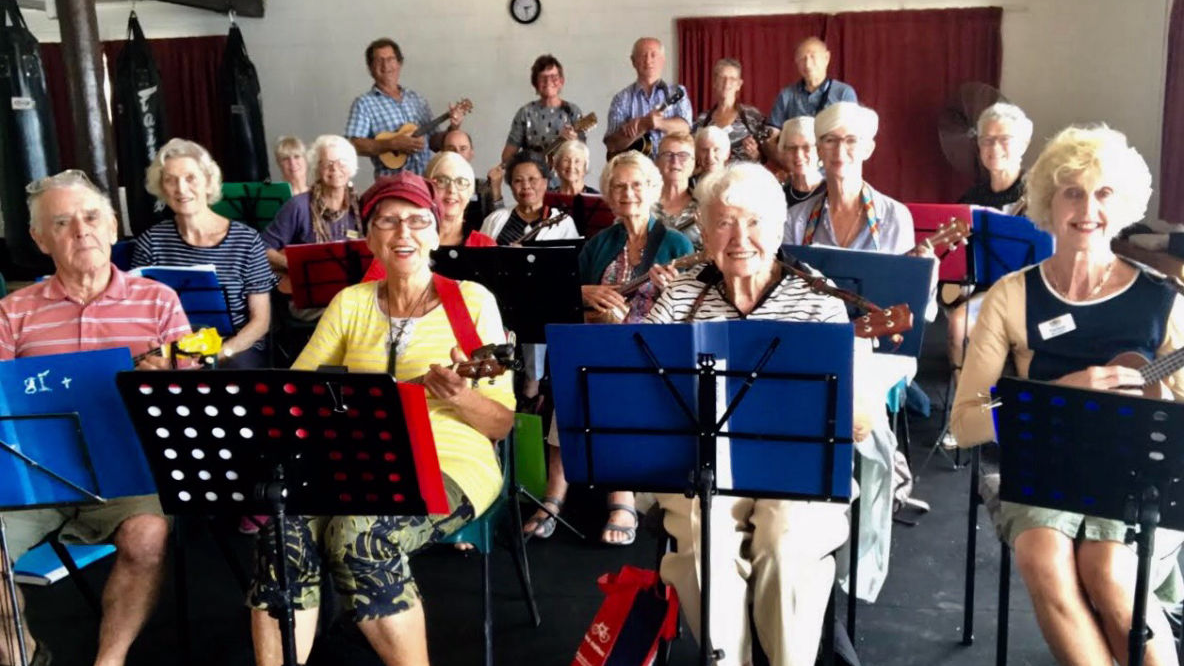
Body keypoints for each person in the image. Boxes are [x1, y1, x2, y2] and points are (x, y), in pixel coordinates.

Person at [247, 172, 514, 666]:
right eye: (387, 222)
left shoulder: (472, 303)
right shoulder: (350, 303)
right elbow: (296, 393)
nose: (403, 233)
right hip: (350, 459)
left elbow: (500, 424)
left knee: (359, 533)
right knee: (281, 532)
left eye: (416, 221)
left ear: (436, 233)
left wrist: (459, 395)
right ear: (369, 238)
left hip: (450, 462)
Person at [951, 125, 1184, 666]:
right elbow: (964, 422)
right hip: (1046, 469)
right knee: (1043, 555)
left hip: (1138, 475)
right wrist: (1054, 394)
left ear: (1122, 204)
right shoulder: (1013, 295)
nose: (1087, 208)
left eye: (1103, 193)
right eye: (1071, 191)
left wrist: (1164, 403)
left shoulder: (1160, 298)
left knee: (1109, 569)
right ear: (1047, 203)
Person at [647, 162, 873, 666]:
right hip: (702, 469)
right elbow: (642, 394)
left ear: (779, 228)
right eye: (724, 222)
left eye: (754, 222)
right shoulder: (679, 300)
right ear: (704, 234)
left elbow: (859, 421)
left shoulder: (820, 302)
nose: (740, 237)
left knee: (783, 543)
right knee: (706, 547)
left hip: (796, 470)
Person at [0, 170, 191, 666]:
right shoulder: (12, 312)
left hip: (128, 471)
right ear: (41, 240)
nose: (80, 230)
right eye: (61, 222)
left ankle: (110, 659)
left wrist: (166, 380)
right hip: (34, 476)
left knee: (147, 535)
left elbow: (192, 400)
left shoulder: (159, 302)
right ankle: (21, 652)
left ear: (112, 227)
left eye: (90, 217)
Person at [524, 151, 694, 546]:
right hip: (597, 343)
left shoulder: (676, 243)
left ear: (653, 189)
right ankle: (555, 493)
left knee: (610, 379)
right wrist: (585, 294)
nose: (628, 193)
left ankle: (621, 497)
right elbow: (565, 305)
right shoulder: (599, 244)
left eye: (637, 184)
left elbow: (692, 309)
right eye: (619, 186)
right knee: (575, 374)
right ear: (609, 195)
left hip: (654, 352)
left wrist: (673, 289)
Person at [132, 138, 277, 368]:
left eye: (190, 178)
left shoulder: (247, 240)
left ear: (208, 182)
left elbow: (260, 321)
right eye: (170, 180)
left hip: (234, 347)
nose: (181, 188)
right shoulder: (151, 242)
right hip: (175, 347)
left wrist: (218, 354)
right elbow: (142, 315)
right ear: (161, 188)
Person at [785, 103, 915, 254]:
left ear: (867, 149)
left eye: (851, 140)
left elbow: (902, 276)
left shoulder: (894, 216)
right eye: (830, 140)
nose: (839, 151)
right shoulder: (795, 219)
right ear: (819, 150)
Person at [363, 150, 497, 291]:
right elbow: (371, 296)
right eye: (441, 181)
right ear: (427, 190)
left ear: (470, 192)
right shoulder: (404, 241)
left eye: (461, 182)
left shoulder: (485, 245)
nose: (452, 189)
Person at [344, 38, 466, 177]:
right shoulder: (364, 103)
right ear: (370, 68)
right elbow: (352, 145)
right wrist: (392, 144)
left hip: (426, 182)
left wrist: (453, 128)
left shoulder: (417, 99)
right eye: (379, 60)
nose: (386, 66)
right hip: (392, 187)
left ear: (399, 63)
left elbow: (434, 144)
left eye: (390, 59)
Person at [262, 134, 362, 273]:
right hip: (312, 286)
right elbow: (262, 247)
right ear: (317, 168)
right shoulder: (298, 205)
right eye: (327, 163)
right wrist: (294, 266)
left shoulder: (360, 205)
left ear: (351, 166)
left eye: (342, 162)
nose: (334, 168)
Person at [604, 37, 692, 161]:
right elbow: (612, 145)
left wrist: (657, 123)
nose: (648, 60)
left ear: (663, 60)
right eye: (642, 55)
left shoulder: (677, 92)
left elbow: (685, 129)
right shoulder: (621, 99)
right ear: (633, 61)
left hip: (670, 167)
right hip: (634, 171)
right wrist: (642, 126)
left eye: (653, 55)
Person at [767, 37, 857, 146]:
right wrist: (783, 160)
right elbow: (772, 136)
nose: (808, 64)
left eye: (813, 57)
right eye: (802, 58)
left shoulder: (844, 93)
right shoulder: (786, 95)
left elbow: (851, 136)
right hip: (796, 159)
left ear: (826, 58)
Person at [500, 54, 586, 166]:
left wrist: (574, 142)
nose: (548, 82)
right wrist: (529, 164)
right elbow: (507, 157)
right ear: (535, 83)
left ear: (561, 81)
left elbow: (582, 156)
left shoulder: (572, 111)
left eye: (553, 77)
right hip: (532, 181)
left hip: (564, 180)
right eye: (542, 78)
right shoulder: (525, 113)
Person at [480, 153, 579, 244]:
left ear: (545, 182)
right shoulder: (494, 220)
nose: (526, 186)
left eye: (532, 179)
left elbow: (572, 261)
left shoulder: (563, 222)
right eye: (518, 180)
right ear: (511, 186)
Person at [958, 102, 1033, 214]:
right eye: (987, 140)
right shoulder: (971, 199)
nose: (995, 147)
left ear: (1024, 145)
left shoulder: (1038, 196)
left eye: (1005, 139)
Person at [690, 58, 765, 162]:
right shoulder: (702, 120)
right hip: (711, 177)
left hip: (744, 176)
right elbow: (694, 156)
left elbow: (767, 157)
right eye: (722, 78)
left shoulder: (752, 116)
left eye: (732, 79)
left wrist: (755, 155)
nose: (726, 83)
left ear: (739, 84)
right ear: (714, 83)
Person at [441, 129, 505, 235]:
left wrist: (496, 190)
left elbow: (499, 226)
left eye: (463, 149)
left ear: (471, 153)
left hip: (477, 248)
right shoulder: (432, 186)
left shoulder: (483, 187)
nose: (457, 154)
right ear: (442, 153)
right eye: (451, 149)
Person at [652, 132, 699, 247]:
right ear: (657, 162)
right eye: (668, 154)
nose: (675, 161)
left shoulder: (706, 206)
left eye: (683, 155)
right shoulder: (641, 203)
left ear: (693, 163)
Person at [777, 116, 825, 206]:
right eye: (792, 148)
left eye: (806, 147)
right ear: (783, 151)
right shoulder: (777, 196)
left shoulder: (832, 193)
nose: (798, 154)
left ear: (819, 150)